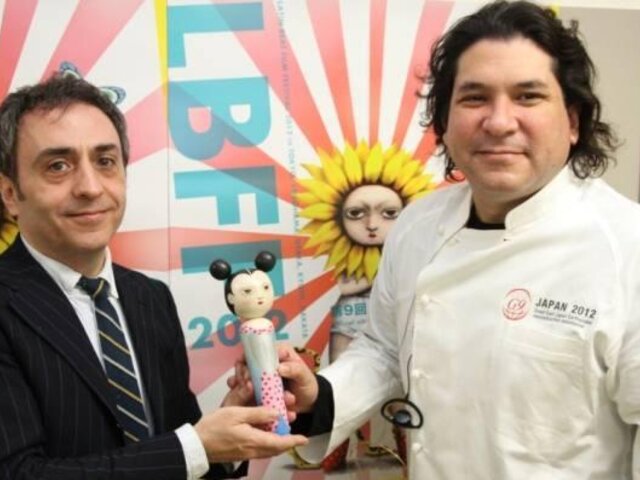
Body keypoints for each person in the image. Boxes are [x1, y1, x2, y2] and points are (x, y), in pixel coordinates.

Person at [275, 1, 640, 478]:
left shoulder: (626, 248)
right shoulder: (416, 225)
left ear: (572, 121)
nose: (499, 121)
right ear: (444, 123)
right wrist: (319, 397)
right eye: (474, 98)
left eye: (528, 96)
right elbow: (385, 347)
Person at [0, 74, 307, 479]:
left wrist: (224, 441)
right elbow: (18, 472)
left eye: (105, 161)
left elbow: (178, 456)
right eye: (58, 166)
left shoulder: (150, 297)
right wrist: (194, 448)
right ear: (10, 194)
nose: (90, 187)